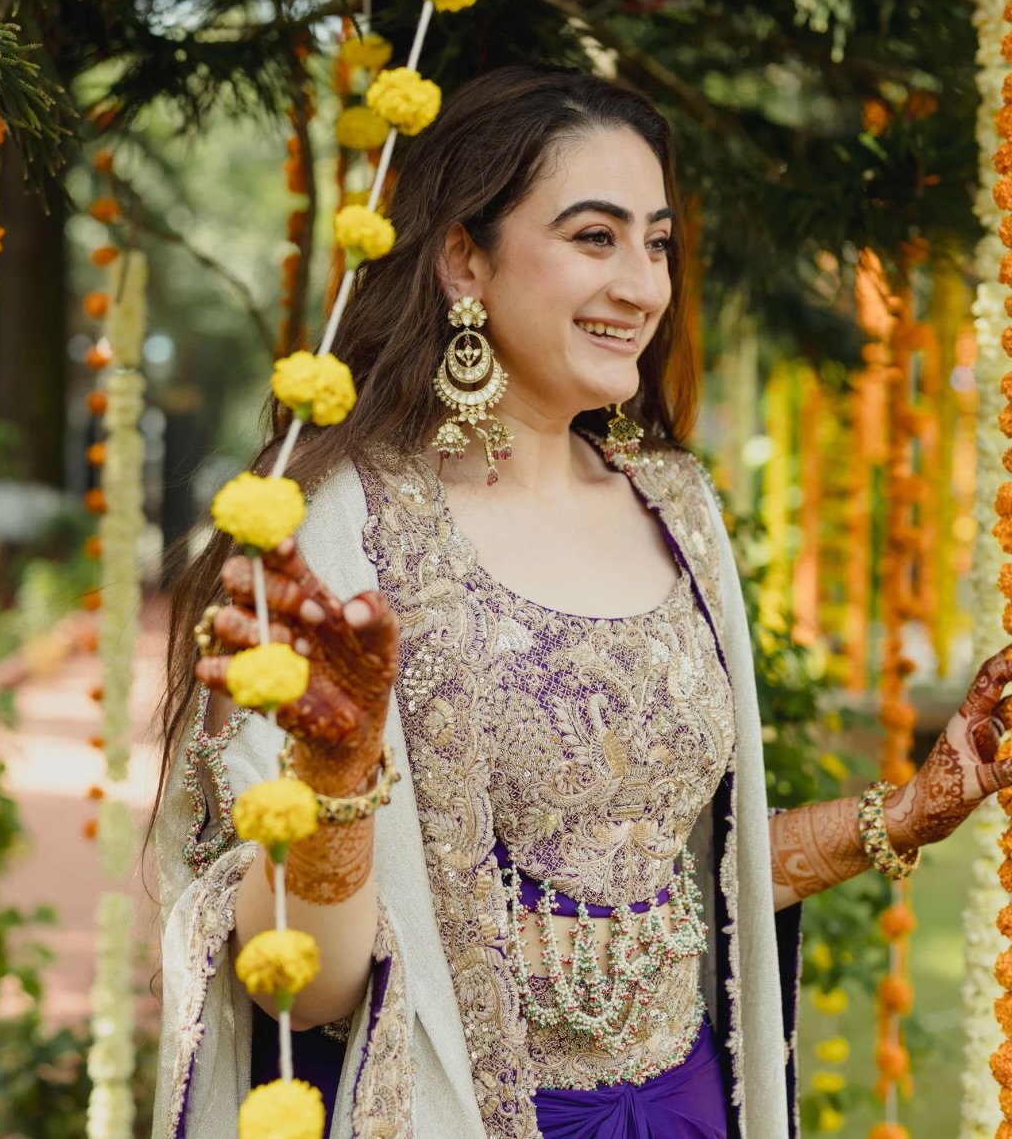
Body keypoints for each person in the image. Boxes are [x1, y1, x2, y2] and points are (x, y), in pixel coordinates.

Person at [149, 64, 1012, 1139]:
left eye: (656, 243)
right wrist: (334, 783)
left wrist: (911, 810)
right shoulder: (336, 534)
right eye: (594, 238)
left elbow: (680, 880)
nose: (644, 286)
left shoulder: (677, 508)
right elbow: (303, 992)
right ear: (465, 259)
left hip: (686, 1105)